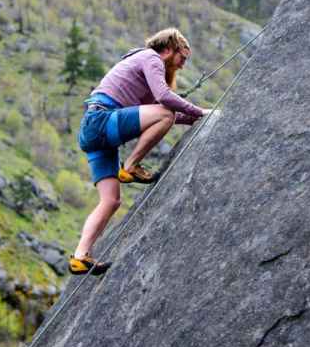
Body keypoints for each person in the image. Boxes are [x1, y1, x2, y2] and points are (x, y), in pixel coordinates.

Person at [69, 28, 210, 275]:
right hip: (102, 121)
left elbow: (158, 114)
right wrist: (198, 111)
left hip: (95, 131)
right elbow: (164, 101)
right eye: (182, 58)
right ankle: (131, 166)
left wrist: (198, 117)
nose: (183, 66)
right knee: (165, 112)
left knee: (111, 200)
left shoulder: (141, 68)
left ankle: (80, 256)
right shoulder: (151, 58)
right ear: (168, 49)